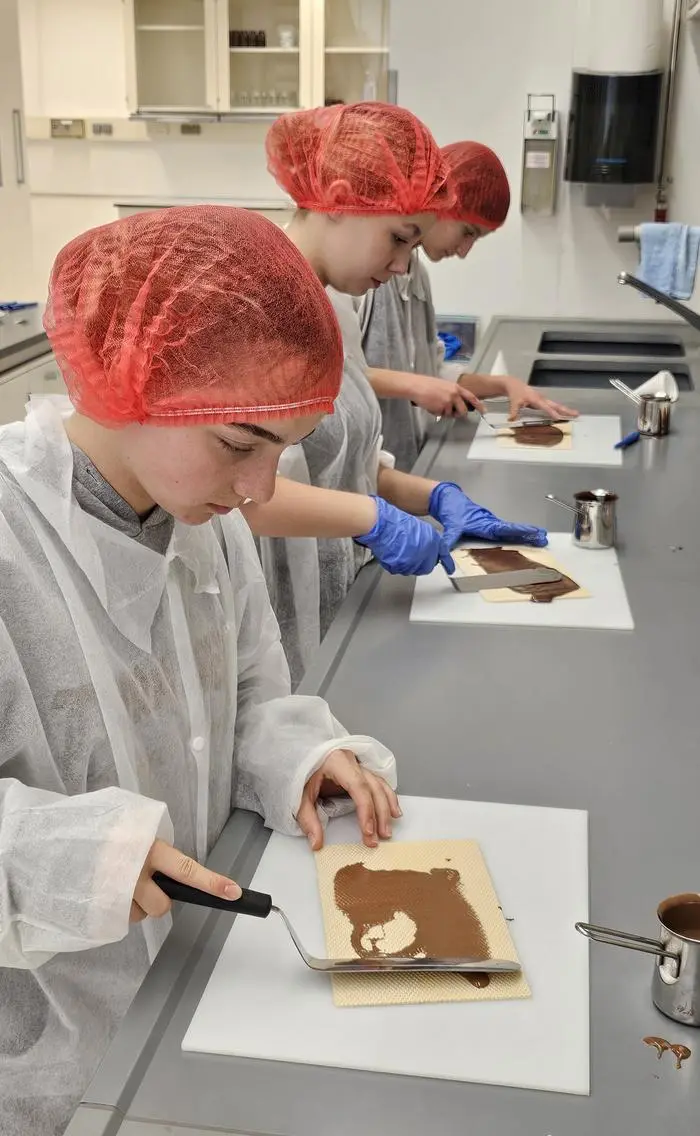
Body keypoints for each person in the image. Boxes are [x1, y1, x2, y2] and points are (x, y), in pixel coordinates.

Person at [0, 206, 400, 1136]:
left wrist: (299, 754)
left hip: (200, 993)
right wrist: (68, 859)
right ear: (130, 385)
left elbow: (249, 687)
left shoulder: (203, 517)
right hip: (50, 1062)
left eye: (281, 448)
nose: (261, 490)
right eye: (240, 444)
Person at [241, 104, 546, 685]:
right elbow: (238, 496)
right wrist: (370, 517)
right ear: (336, 200)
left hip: (335, 602)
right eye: (399, 239)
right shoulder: (259, 310)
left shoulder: (330, 307)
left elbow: (344, 462)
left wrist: (435, 497)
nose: (406, 266)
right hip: (272, 625)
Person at [360, 140, 578, 470]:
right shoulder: (362, 277)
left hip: (403, 467)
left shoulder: (415, 274)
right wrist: (416, 386)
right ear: (442, 204)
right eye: (468, 232)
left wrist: (504, 385)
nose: (464, 251)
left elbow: (429, 372)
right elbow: (338, 379)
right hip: (364, 475)